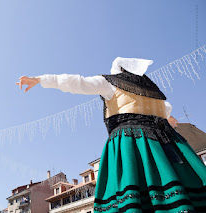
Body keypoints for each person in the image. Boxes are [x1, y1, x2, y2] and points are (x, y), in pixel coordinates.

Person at [15, 57, 206, 212]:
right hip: (167, 145)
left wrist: (40, 79)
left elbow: (77, 82)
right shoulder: (152, 92)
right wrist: (169, 120)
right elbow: (165, 110)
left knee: (132, 196)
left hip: (133, 143)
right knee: (179, 192)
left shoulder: (110, 82)